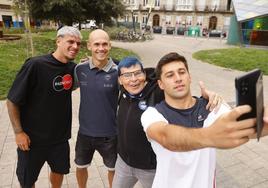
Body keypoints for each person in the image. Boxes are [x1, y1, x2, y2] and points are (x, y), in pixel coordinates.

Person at [141, 52, 265, 188]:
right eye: (170, 75)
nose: (178, 78)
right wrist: (210, 135)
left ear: (189, 77)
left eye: (182, 72)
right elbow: (166, 137)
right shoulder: (152, 114)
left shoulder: (211, 107)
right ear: (161, 84)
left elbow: (247, 129)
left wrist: (259, 119)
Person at [112, 56, 222, 188]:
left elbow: (180, 97)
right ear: (120, 80)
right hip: (123, 162)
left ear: (144, 74)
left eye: (137, 73)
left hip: (151, 168)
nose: (133, 79)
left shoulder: (158, 92)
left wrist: (207, 98)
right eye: (127, 75)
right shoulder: (124, 90)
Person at [6, 26, 82, 188]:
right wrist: (19, 132)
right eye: (70, 41)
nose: (75, 46)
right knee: (27, 179)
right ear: (58, 41)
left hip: (60, 138)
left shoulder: (72, 68)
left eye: (78, 43)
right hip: (32, 140)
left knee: (59, 171)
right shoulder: (35, 65)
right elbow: (12, 100)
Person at [74, 29, 118, 188]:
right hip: (84, 132)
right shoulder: (79, 69)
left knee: (113, 169)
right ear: (89, 46)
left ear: (110, 46)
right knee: (80, 166)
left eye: (105, 44)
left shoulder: (118, 71)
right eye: (97, 44)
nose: (101, 48)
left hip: (110, 134)